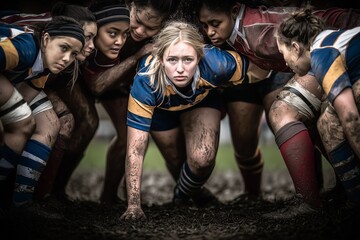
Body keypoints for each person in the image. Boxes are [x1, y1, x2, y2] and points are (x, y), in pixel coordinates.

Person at [197, 0, 360, 211]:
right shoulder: (244, 32)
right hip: (334, 48)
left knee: (284, 111)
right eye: (205, 25)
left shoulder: (263, 36)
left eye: (215, 23)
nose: (210, 31)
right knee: (325, 121)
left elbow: (317, 23)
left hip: (334, 48)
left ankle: (310, 200)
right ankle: (343, 191)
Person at [120, 20, 270, 221]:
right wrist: (133, 206)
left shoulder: (217, 63)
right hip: (161, 108)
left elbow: (263, 68)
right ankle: (195, 194)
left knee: (202, 158)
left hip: (201, 101)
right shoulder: (145, 81)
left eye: (188, 59)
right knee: (175, 160)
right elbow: (135, 149)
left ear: (199, 58)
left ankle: (180, 197)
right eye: (172, 60)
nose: (180, 68)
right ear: (160, 58)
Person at [51, 0, 180, 204]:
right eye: (137, 21)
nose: (139, 31)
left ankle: (109, 197)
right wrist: (136, 56)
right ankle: (54, 190)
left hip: (115, 81)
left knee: (131, 132)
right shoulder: (105, 14)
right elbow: (96, 86)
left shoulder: (158, 38)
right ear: (131, 6)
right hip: (77, 74)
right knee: (88, 121)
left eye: (150, 28)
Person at [276, 9, 360, 206]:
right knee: (327, 121)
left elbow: (350, 118)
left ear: (295, 47)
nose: (285, 63)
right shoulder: (331, 41)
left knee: (335, 119)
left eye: (283, 54)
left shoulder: (321, 53)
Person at [0, 16, 85, 208]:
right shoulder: (26, 49)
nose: (67, 59)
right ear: (46, 39)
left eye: (74, 54)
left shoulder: (44, 68)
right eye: (64, 48)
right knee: (22, 122)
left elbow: (25, 97)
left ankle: (21, 201)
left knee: (44, 124)